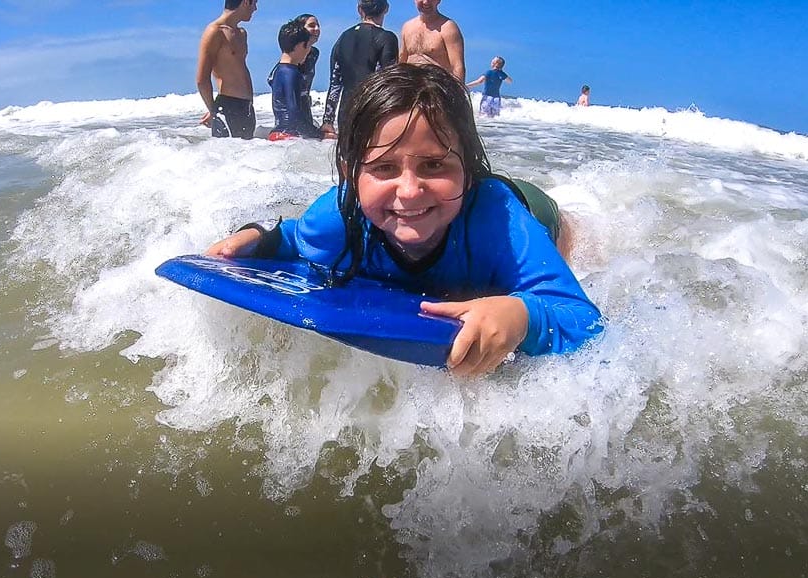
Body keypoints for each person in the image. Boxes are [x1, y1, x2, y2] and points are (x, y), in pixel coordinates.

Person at [206, 64, 602, 376]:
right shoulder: (338, 217)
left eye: (434, 165)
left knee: (584, 254)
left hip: (536, 211)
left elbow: (584, 322)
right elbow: (293, 239)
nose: (409, 190)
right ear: (349, 173)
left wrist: (522, 316)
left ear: (467, 166)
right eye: (384, 168)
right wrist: (258, 237)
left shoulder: (497, 221)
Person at [320, 0, 398, 139]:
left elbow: (335, 84)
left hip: (346, 114)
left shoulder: (343, 38)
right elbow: (389, 82)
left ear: (359, 9)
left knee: (347, 158)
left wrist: (328, 120)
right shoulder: (387, 38)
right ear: (386, 8)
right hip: (372, 112)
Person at [196, 0, 258, 139]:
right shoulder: (215, 31)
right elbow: (202, 79)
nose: (255, 8)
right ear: (245, 2)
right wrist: (213, 110)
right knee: (228, 158)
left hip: (247, 107)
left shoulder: (241, 33)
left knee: (248, 158)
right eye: (254, 3)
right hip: (227, 106)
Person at [267, 21, 322, 141]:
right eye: (308, 46)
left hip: (278, 133)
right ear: (300, 45)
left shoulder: (279, 70)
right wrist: (319, 135)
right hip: (288, 134)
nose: (308, 52)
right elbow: (294, 112)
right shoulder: (291, 72)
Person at [399, 0, 465, 81]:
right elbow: (402, 61)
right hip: (411, 86)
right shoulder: (407, 27)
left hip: (437, 87)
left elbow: (457, 66)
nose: (426, 2)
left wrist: (458, 92)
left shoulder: (448, 28)